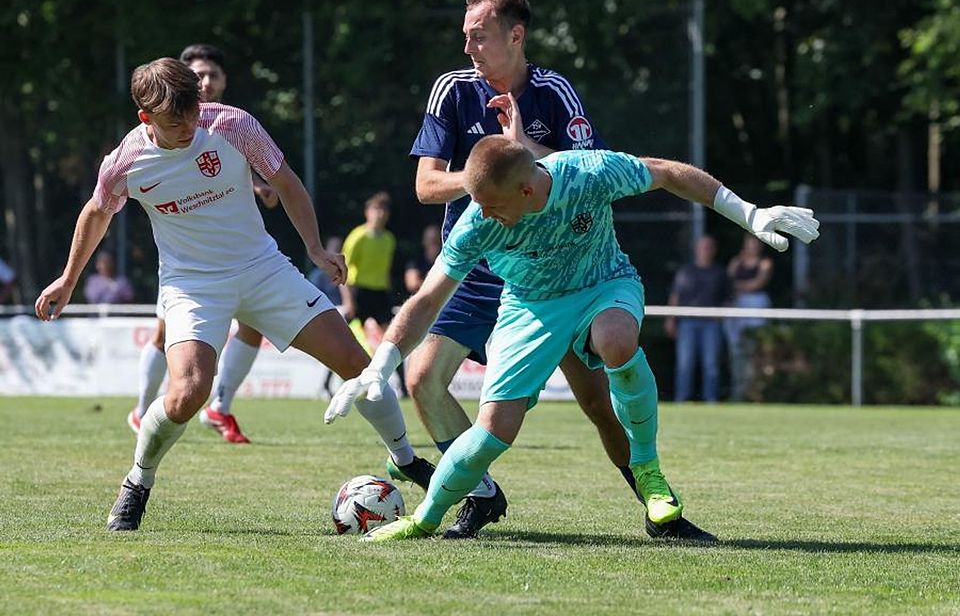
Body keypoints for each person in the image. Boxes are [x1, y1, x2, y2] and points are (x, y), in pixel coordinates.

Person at [327, 133, 819, 542]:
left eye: (492, 204)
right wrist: (380, 365)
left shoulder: (587, 173)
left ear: (524, 191)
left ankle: (649, 474)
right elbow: (427, 300)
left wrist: (749, 214)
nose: (483, 215)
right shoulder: (478, 218)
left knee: (617, 341)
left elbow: (666, 171)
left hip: (603, 283)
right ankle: (423, 519)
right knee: (493, 431)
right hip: (529, 307)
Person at [34, 57, 433, 531]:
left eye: (191, 111)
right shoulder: (125, 163)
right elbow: (96, 214)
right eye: (173, 120)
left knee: (356, 365)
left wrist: (311, 246)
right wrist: (68, 278)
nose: (188, 125)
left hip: (262, 268)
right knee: (188, 393)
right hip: (193, 284)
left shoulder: (231, 123)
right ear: (145, 119)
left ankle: (404, 458)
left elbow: (285, 180)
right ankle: (138, 481)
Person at [403, 0, 669, 540]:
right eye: (465, 36)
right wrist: (489, 178)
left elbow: (588, 168)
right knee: (422, 377)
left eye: (478, 36)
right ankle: (480, 494)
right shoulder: (451, 90)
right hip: (478, 263)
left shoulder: (553, 92)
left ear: (515, 35)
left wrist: (523, 153)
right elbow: (426, 187)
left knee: (597, 402)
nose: (468, 48)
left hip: (552, 269)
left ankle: (653, 498)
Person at [129, 44, 280, 443]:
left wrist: (260, 187)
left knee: (253, 324)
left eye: (213, 74)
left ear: (223, 81)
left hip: (237, 253)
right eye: (198, 76)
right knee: (165, 336)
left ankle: (221, 404)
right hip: (186, 261)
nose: (206, 82)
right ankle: (143, 410)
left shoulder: (230, 124)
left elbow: (223, 174)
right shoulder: (158, 132)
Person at [665, 236, 731, 403]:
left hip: (712, 324)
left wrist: (721, 314)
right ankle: (682, 399)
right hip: (687, 322)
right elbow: (676, 296)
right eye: (703, 247)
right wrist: (671, 319)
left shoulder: (720, 272)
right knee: (685, 364)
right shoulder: (686, 271)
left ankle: (711, 400)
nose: (706, 250)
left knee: (711, 365)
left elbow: (729, 298)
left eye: (709, 247)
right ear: (696, 249)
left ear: (714, 250)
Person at [724, 234, 773, 401]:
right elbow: (728, 281)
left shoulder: (765, 263)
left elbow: (757, 283)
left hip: (756, 307)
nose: (752, 248)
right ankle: (738, 392)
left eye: (755, 245)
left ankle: (754, 393)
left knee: (754, 350)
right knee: (736, 350)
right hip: (737, 307)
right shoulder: (736, 262)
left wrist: (740, 286)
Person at [340, 191, 396, 334]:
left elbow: (386, 269)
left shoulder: (389, 239)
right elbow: (342, 268)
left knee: (390, 332)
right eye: (376, 209)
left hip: (380, 292)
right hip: (359, 291)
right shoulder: (358, 236)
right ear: (367, 212)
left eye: (384, 210)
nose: (380, 214)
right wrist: (348, 300)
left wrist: (389, 292)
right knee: (349, 332)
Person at [404, 224, 442, 296]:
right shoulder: (415, 262)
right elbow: (412, 284)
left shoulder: (446, 263)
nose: (433, 244)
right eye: (430, 240)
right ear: (424, 241)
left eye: (436, 240)